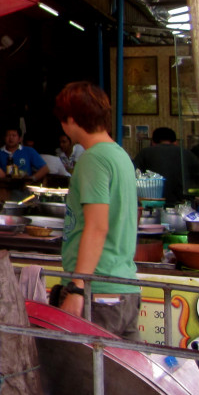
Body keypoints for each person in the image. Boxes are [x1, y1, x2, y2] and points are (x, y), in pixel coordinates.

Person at [54, 82, 140, 340]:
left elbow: (97, 225)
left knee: (90, 377)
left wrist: (78, 287)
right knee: (122, 377)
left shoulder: (93, 159)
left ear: (70, 120)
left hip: (99, 292)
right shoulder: (119, 155)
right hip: (123, 288)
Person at [134, 127, 199, 207]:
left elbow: (134, 177)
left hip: (152, 206)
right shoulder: (187, 154)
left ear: (152, 142)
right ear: (175, 142)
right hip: (183, 207)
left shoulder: (144, 153)